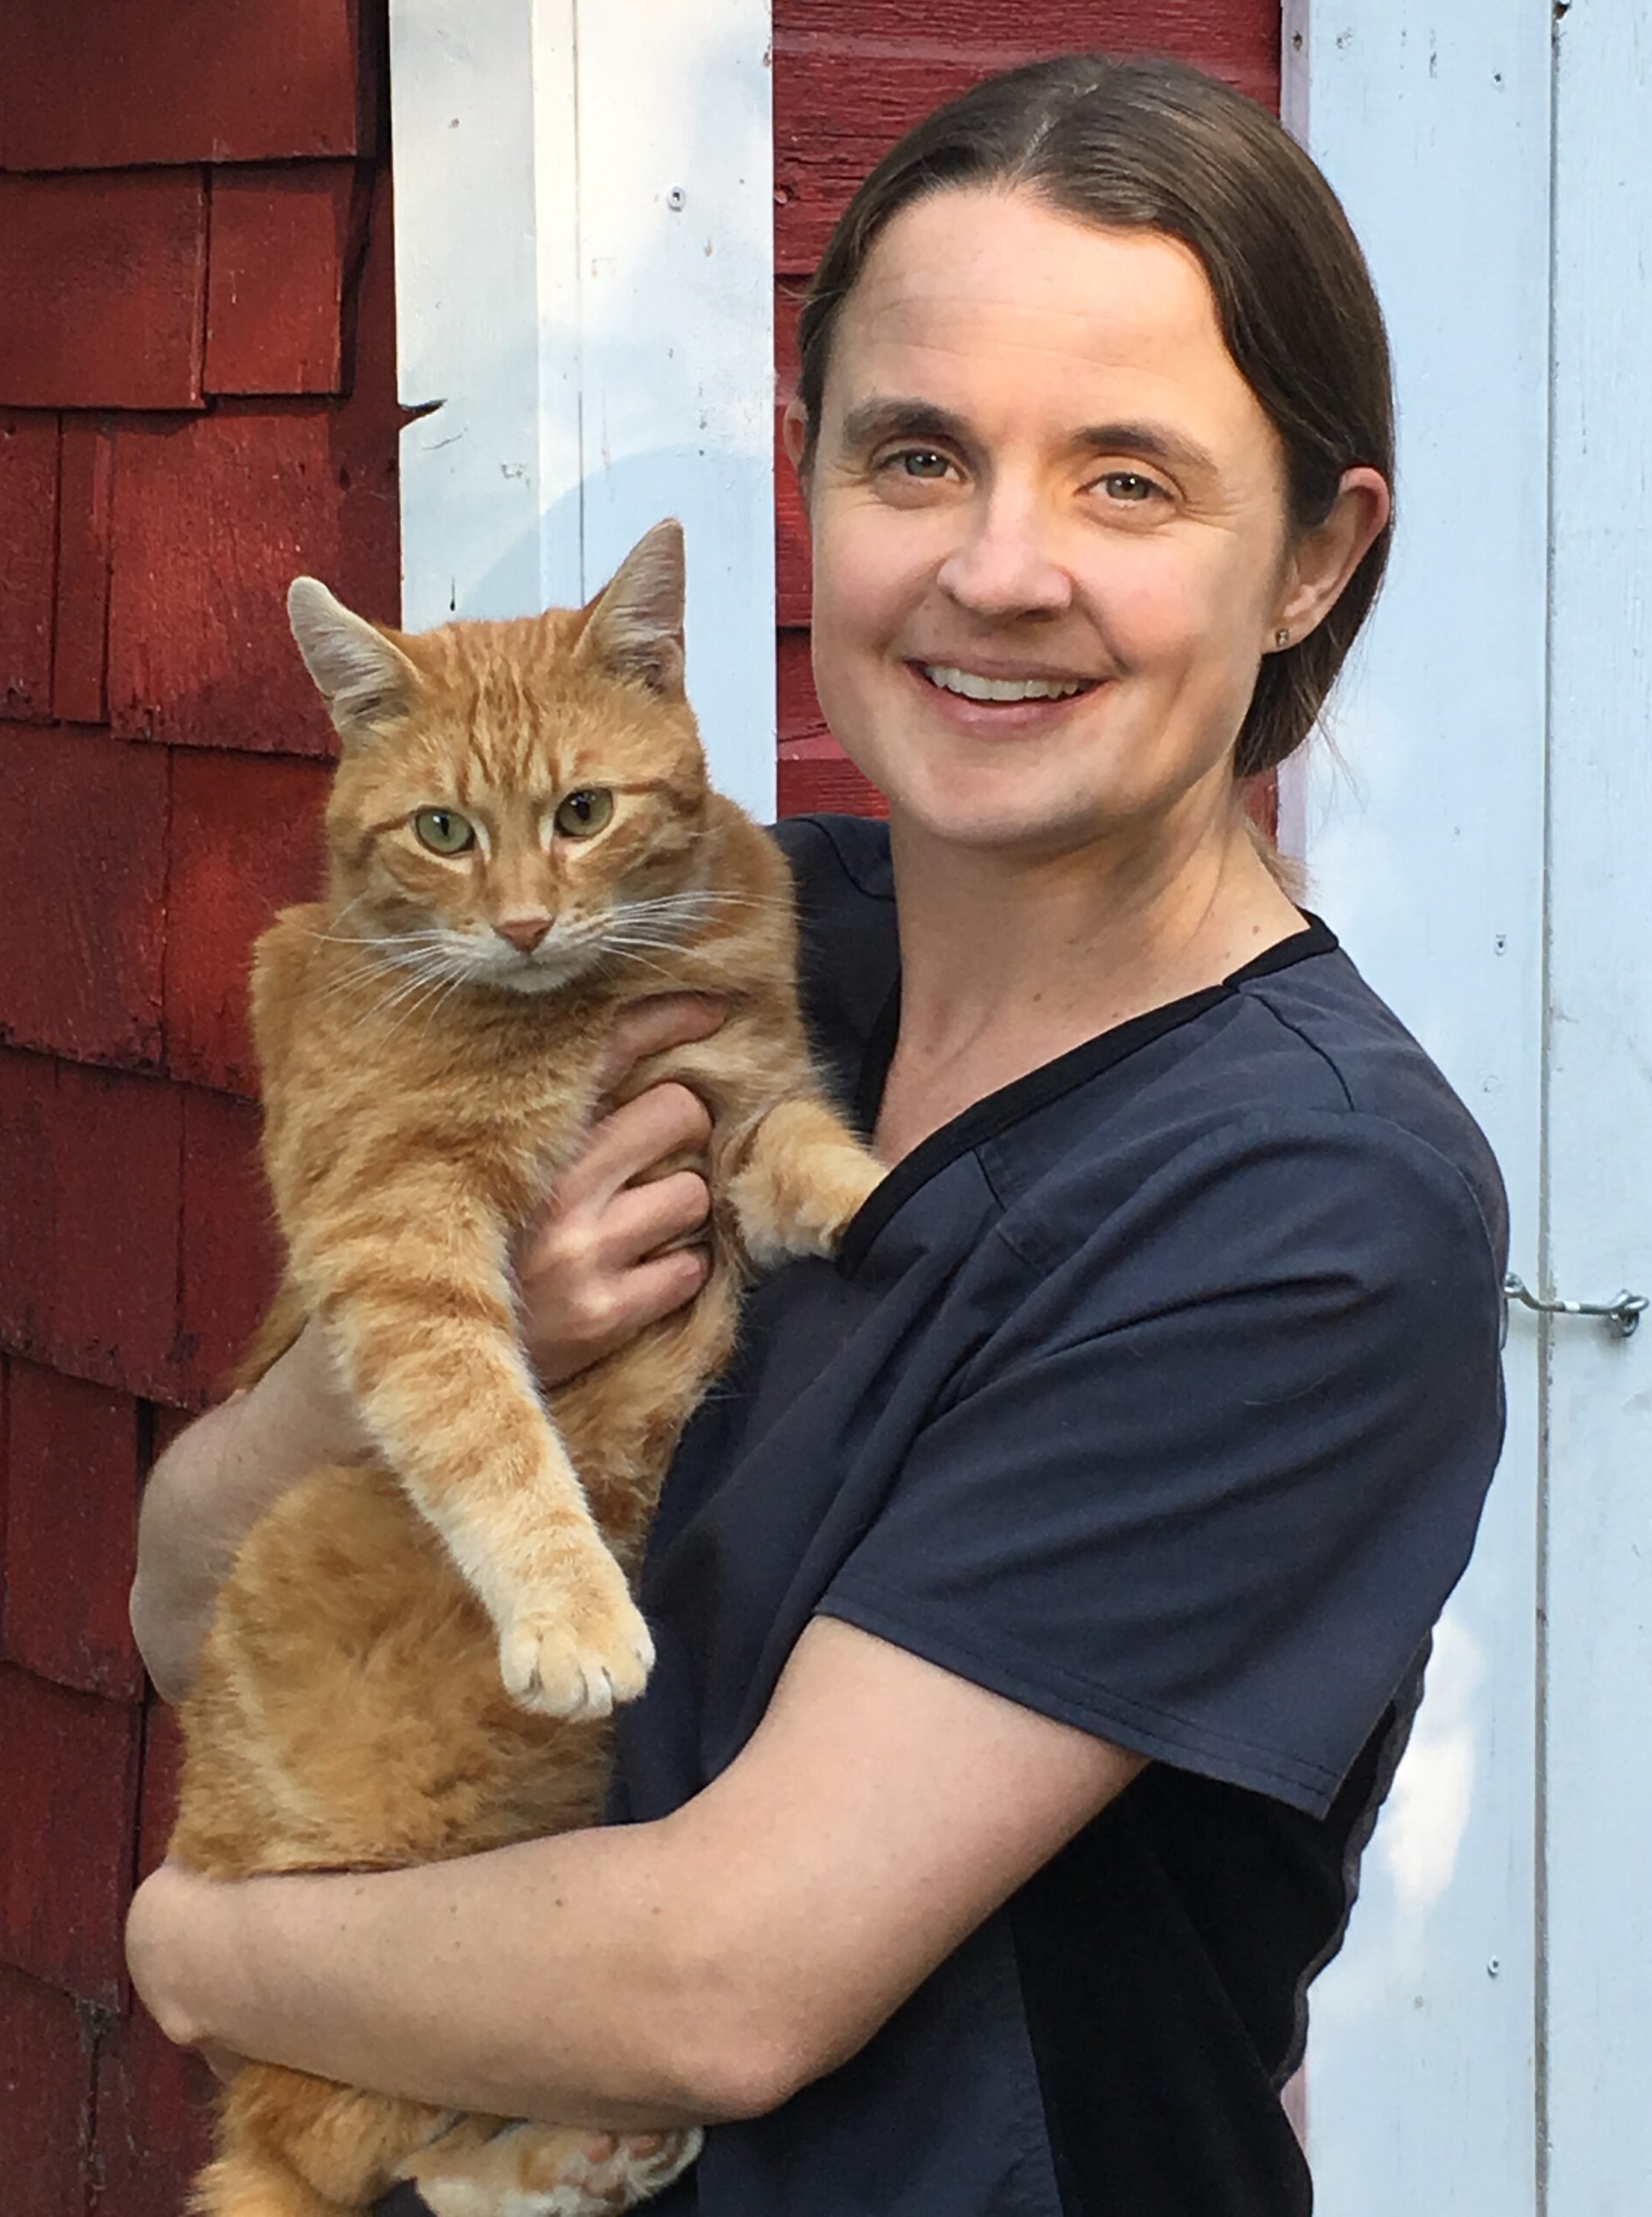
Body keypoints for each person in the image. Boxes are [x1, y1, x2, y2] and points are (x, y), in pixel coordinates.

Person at [126, 53, 1507, 2216]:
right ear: (809, 487)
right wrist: (385, 1362)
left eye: (1129, 481)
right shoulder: (744, 946)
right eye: (917, 453)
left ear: (1315, 559)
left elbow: (724, 1978)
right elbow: (186, 1584)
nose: (999, 565)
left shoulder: (1304, 1206)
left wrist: (199, 1946)